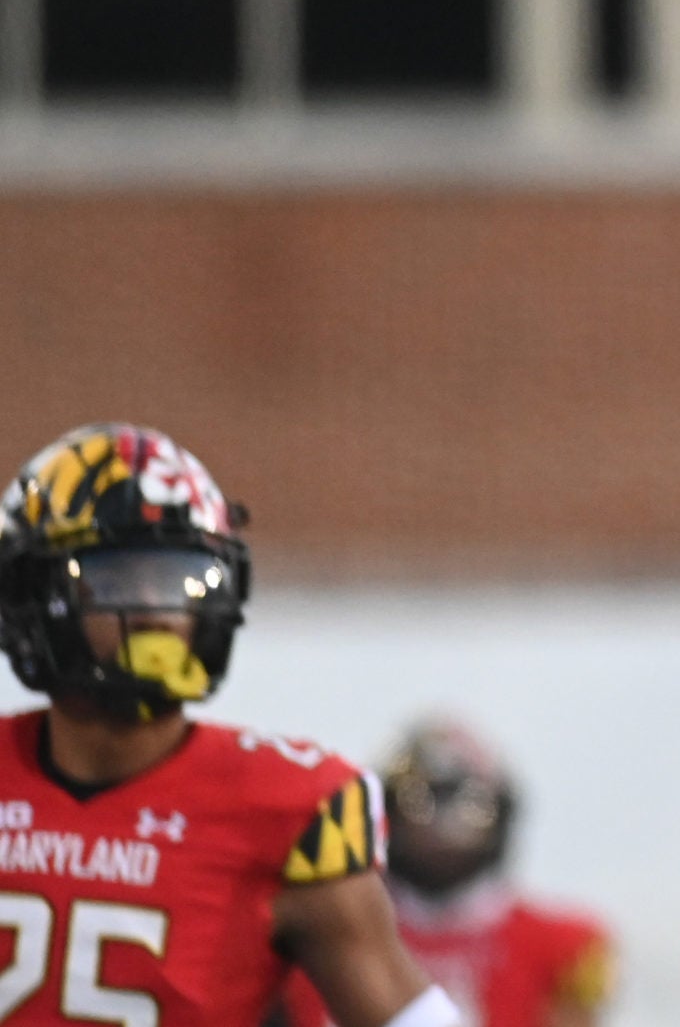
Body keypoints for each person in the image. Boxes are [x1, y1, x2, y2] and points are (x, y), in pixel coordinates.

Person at [0, 423, 457, 1027]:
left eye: (187, 584)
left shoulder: (285, 807)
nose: (160, 615)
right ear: (33, 595)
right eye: (120, 582)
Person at [279, 719, 614, 1027]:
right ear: (385, 812)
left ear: (503, 816)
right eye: (420, 802)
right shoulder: (311, 927)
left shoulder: (567, 944)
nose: (443, 830)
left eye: (472, 807)